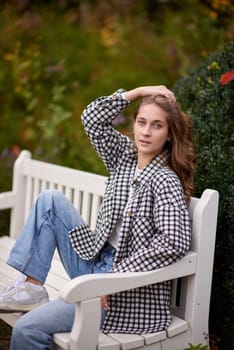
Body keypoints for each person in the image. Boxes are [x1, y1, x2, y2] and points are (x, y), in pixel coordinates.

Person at [0, 86, 195, 349]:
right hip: (95, 262)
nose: (146, 132)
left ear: (169, 135)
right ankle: (33, 288)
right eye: (142, 122)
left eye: (157, 125)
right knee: (50, 201)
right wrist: (138, 92)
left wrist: (113, 278)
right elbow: (91, 119)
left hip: (122, 292)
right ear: (134, 125)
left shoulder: (164, 181)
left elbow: (173, 242)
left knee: (26, 329)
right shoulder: (125, 158)